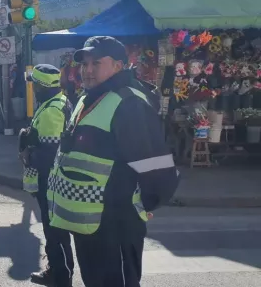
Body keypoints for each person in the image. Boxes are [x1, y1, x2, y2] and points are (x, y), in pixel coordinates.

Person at [47, 36, 180, 287]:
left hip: (115, 227)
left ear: (119, 66)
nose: (87, 70)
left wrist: (134, 209)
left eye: (96, 63)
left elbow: (158, 171)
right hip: (89, 227)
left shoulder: (128, 103)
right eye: (84, 64)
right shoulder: (88, 99)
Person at [18, 64, 74, 287]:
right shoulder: (55, 102)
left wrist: (28, 152)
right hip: (50, 183)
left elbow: (51, 156)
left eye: (34, 84)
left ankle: (61, 277)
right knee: (53, 231)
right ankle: (58, 272)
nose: (32, 88)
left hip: (50, 183)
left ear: (40, 87)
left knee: (55, 233)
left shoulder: (52, 110)